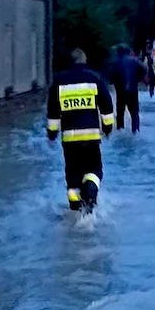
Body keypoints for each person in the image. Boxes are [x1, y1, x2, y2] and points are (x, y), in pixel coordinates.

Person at [46, 48, 114, 213]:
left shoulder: (59, 81)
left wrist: (52, 133)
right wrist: (107, 127)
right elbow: (106, 105)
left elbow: (53, 111)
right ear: (85, 61)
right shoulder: (94, 78)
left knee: (72, 175)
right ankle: (91, 187)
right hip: (91, 136)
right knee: (94, 169)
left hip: (70, 139)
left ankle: (75, 211)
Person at [111, 45, 146, 133]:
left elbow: (110, 78)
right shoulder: (135, 61)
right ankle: (135, 131)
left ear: (119, 52)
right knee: (134, 114)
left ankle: (120, 132)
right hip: (133, 90)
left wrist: (115, 82)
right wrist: (138, 79)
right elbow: (144, 69)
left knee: (120, 114)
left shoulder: (115, 63)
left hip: (120, 92)